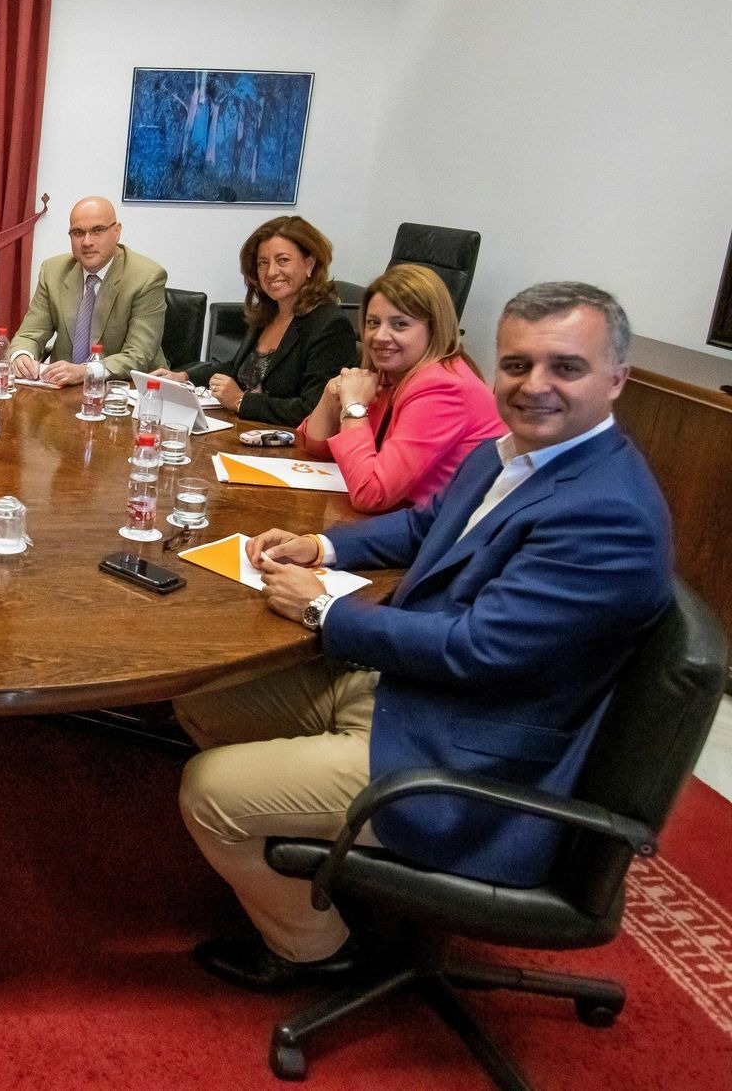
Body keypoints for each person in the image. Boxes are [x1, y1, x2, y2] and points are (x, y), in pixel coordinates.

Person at [175, 282, 671, 992]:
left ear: (617, 379)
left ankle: (316, 951)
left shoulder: (607, 514)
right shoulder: (515, 453)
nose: (534, 387)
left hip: (473, 759)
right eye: (517, 365)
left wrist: (325, 612)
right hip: (414, 694)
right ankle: (315, 852)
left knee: (209, 790)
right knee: (210, 693)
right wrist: (324, 548)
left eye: (566, 367)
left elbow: (477, 650)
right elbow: (422, 525)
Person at [296, 264, 504, 512]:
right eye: (373, 323)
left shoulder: (442, 388)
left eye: (400, 325)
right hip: (411, 520)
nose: (380, 336)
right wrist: (332, 395)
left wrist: (354, 407)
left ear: (434, 328)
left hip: (453, 537)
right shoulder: (393, 372)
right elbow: (314, 447)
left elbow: (370, 494)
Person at [157, 215, 358, 426]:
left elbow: (313, 410)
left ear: (310, 264)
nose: (271, 272)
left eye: (283, 261)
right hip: (246, 430)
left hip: (288, 448)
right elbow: (237, 369)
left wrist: (241, 401)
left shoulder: (330, 325)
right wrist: (184, 378)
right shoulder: (268, 312)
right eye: (263, 263)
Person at [10, 196, 168, 385]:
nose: (86, 242)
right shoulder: (53, 271)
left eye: (97, 230)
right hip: (62, 391)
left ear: (116, 231)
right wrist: (22, 355)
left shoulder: (147, 277)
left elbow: (138, 355)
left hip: (126, 391)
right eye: (78, 232)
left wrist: (86, 371)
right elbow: (30, 334)